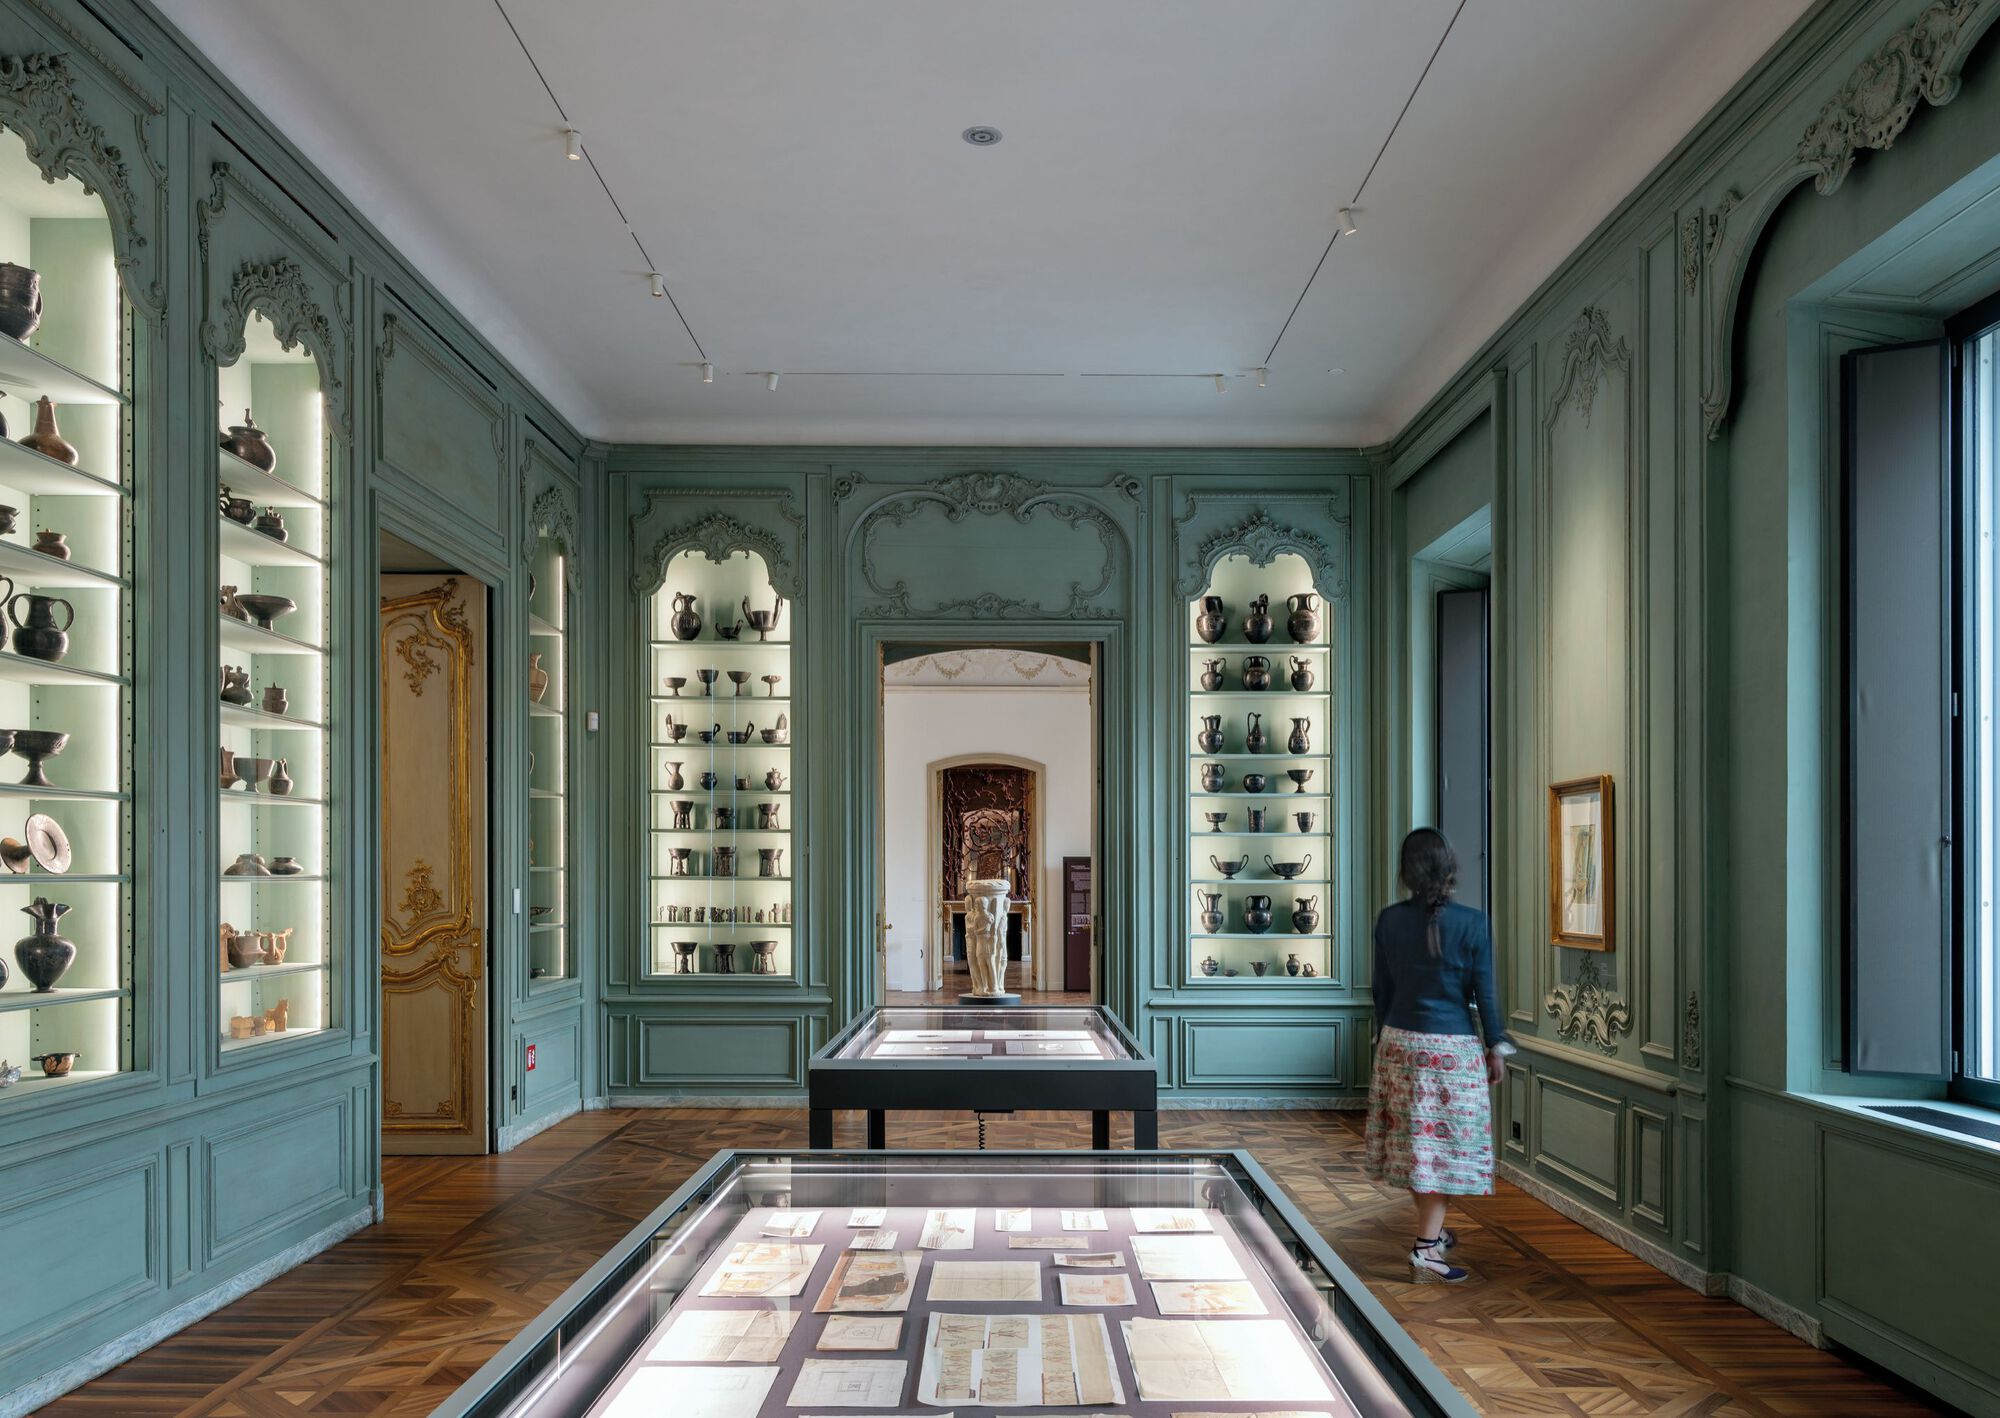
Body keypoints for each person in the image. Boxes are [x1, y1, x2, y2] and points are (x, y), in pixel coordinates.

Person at [1364, 827, 1511, 1282]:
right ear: (1450, 868)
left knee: (1416, 1149)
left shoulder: (1389, 920)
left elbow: (1381, 990)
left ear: (1406, 871)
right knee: (1445, 1152)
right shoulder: (1473, 923)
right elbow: (1485, 994)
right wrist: (1496, 1045)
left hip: (1398, 1045)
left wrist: (1388, 1038)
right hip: (1451, 1052)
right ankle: (1426, 1249)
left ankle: (1433, 1231)